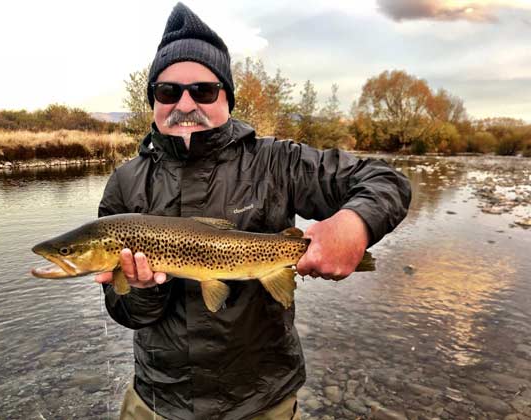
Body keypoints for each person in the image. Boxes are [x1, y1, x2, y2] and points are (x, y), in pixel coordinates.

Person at [95, 3, 411, 420]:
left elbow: (385, 180)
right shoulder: (125, 183)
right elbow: (126, 314)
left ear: (227, 97)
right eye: (168, 91)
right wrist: (141, 289)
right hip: (157, 402)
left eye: (203, 91)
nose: (184, 103)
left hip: (262, 401)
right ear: (153, 99)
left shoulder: (277, 163)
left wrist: (355, 224)